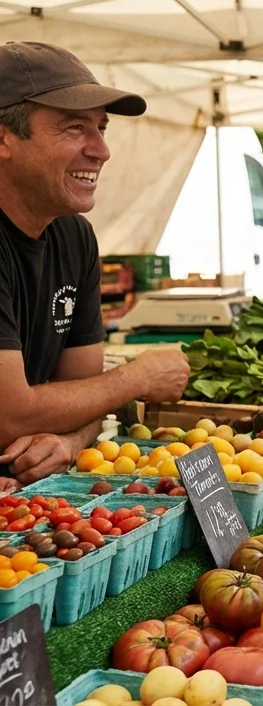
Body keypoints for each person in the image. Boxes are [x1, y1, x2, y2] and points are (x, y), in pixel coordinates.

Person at [0, 42, 190, 486]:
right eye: (73, 128)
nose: (101, 150)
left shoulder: (74, 236)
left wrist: (68, 442)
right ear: (4, 138)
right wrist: (137, 377)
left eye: (101, 128)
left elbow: (85, 394)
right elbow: (11, 414)